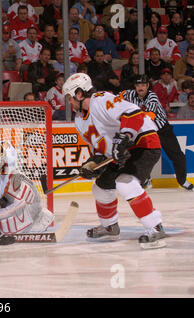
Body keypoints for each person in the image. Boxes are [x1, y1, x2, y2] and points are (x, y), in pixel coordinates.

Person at [62, 72, 166, 249]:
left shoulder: (101, 100)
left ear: (79, 94)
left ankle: (155, 227)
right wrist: (93, 165)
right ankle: (110, 227)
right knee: (101, 187)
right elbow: (101, 151)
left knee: (125, 182)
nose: (69, 102)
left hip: (143, 142)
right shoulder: (79, 120)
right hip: (121, 151)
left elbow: (134, 113)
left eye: (70, 97)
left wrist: (124, 137)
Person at [122, 74, 193, 191]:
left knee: (177, 155)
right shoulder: (129, 94)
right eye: (138, 85)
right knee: (141, 156)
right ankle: (145, 179)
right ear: (135, 86)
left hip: (161, 129)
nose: (141, 88)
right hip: (144, 131)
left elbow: (148, 117)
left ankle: (183, 180)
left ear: (147, 86)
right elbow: (115, 98)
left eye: (143, 85)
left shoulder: (152, 97)